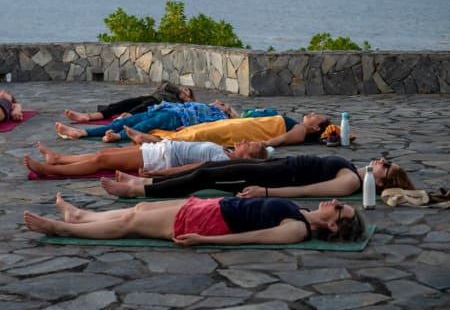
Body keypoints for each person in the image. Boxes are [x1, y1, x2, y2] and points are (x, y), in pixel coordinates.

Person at [23, 193, 366, 245]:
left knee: (131, 225)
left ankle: (62, 228)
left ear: (333, 225)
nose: (335, 202)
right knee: (139, 210)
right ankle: (82, 215)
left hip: (210, 224)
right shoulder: (302, 213)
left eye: (339, 208)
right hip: (212, 206)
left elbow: (249, 239)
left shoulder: (298, 230)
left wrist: (205, 241)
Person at [101, 155, 415, 199]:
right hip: (274, 166)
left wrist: (266, 192)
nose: (382, 161)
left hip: (275, 178)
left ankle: (137, 193)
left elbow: (308, 191)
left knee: (207, 178)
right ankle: (144, 182)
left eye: (386, 166)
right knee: (208, 167)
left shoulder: (350, 181)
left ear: (383, 182)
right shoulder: (353, 168)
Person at [24, 139, 269, 177]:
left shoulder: (223, 160)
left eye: (249, 145)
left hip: (162, 159)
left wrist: (160, 174)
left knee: (101, 162)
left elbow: (196, 167)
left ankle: (50, 169)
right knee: (104, 154)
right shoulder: (224, 150)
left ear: (249, 155)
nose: (244, 141)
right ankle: (59, 158)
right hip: (162, 148)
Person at [55, 100, 238, 143]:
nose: (216, 102)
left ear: (227, 112)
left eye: (222, 104)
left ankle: (119, 137)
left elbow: (208, 127)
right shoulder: (206, 106)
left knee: (144, 127)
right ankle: (82, 132)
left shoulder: (219, 117)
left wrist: (189, 127)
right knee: (129, 120)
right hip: (168, 110)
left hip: (177, 118)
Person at [124, 112, 331, 148]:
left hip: (245, 133)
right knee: (203, 128)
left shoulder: (300, 130)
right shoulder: (297, 124)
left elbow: (284, 139)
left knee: (201, 136)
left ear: (314, 127)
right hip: (243, 125)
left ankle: (153, 142)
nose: (312, 114)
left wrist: (262, 145)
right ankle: (153, 138)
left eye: (316, 117)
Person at [64, 80, 196, 122]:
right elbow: (165, 83)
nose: (184, 90)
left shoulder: (179, 104)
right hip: (150, 97)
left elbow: (192, 108)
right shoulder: (170, 89)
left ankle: (126, 117)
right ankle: (88, 116)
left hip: (157, 105)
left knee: (145, 105)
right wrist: (179, 92)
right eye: (183, 88)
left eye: (187, 91)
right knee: (122, 104)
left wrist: (185, 100)